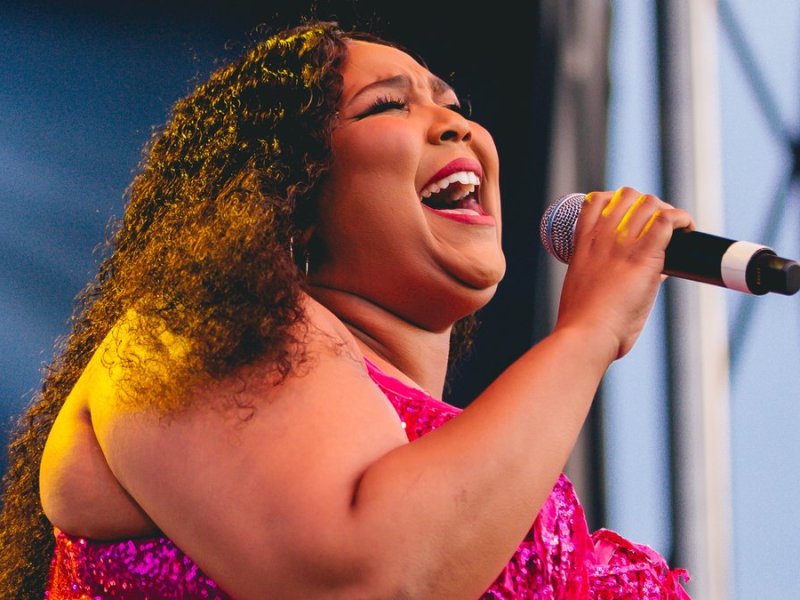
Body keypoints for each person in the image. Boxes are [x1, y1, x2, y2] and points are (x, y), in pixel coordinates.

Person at [0, 20, 692, 599]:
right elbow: (370, 576)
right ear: (285, 195)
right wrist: (589, 331)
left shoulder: (443, 455)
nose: (455, 126)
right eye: (388, 106)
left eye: (453, 105)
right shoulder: (176, 338)